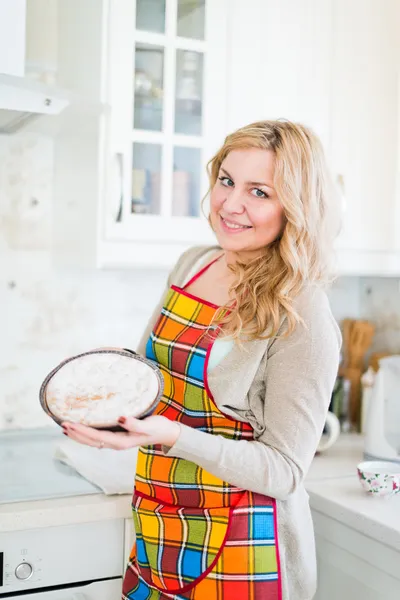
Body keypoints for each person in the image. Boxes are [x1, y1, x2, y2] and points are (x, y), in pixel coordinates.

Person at [63, 120, 342, 600]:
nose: (230, 204)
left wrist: (169, 435)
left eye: (259, 192)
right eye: (227, 180)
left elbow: (284, 471)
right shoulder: (196, 262)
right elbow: (150, 379)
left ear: (295, 208)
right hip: (160, 522)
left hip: (245, 548)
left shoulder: (303, 308)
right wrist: (108, 399)